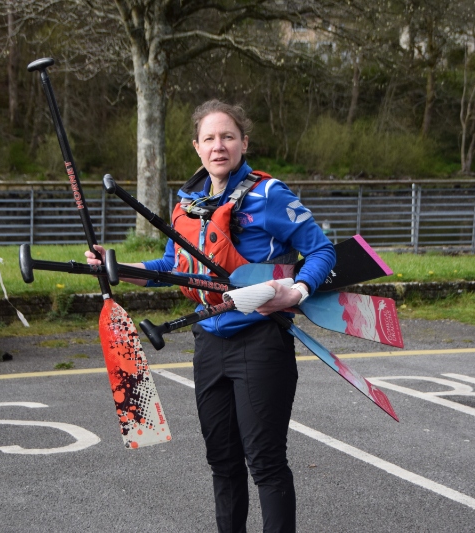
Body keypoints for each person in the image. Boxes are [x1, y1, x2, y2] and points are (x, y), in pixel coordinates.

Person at [87, 99, 336, 532]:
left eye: (228, 137)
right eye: (209, 138)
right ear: (197, 147)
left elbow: (322, 250)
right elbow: (172, 267)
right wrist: (117, 267)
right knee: (222, 461)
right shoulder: (187, 204)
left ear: (244, 143)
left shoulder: (270, 194)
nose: (218, 146)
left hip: (262, 341)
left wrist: (297, 290)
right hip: (209, 342)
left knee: (265, 462)